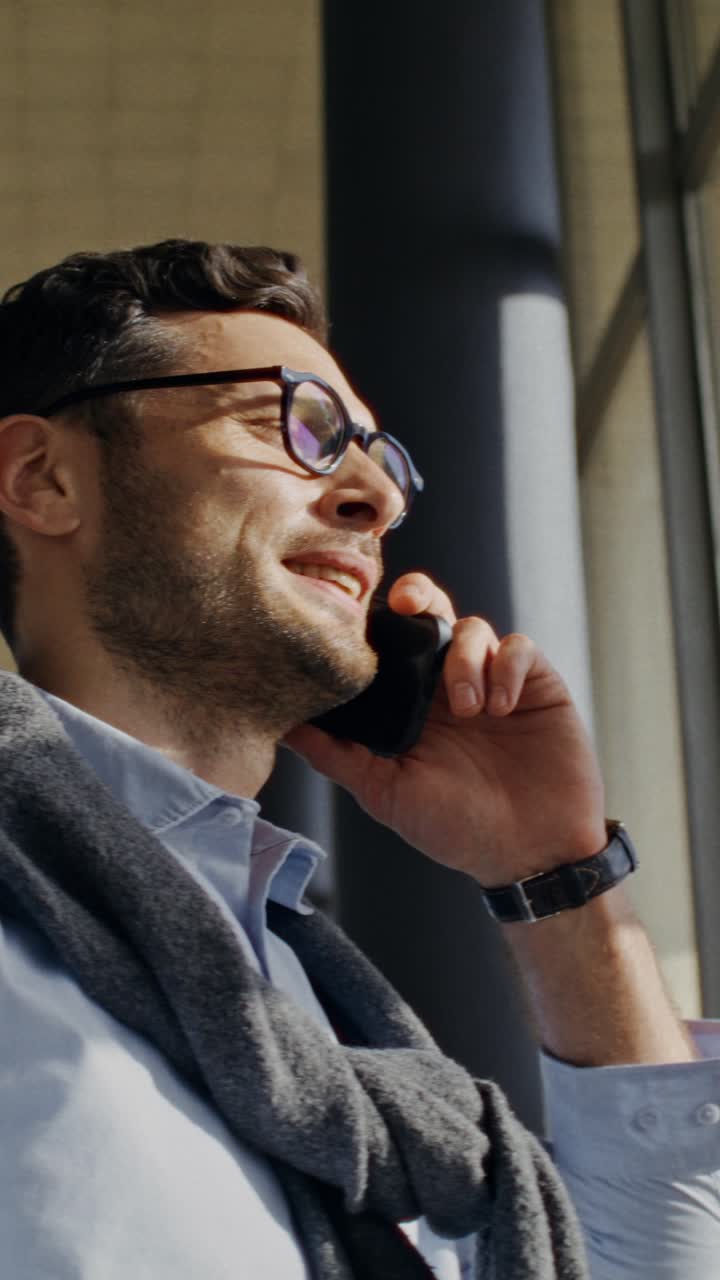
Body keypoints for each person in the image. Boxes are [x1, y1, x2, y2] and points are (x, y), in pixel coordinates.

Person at [0, 238, 717, 1280]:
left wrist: (560, 879)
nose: (375, 494)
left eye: (381, 455)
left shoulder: (343, 1046)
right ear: (43, 476)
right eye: (295, 421)